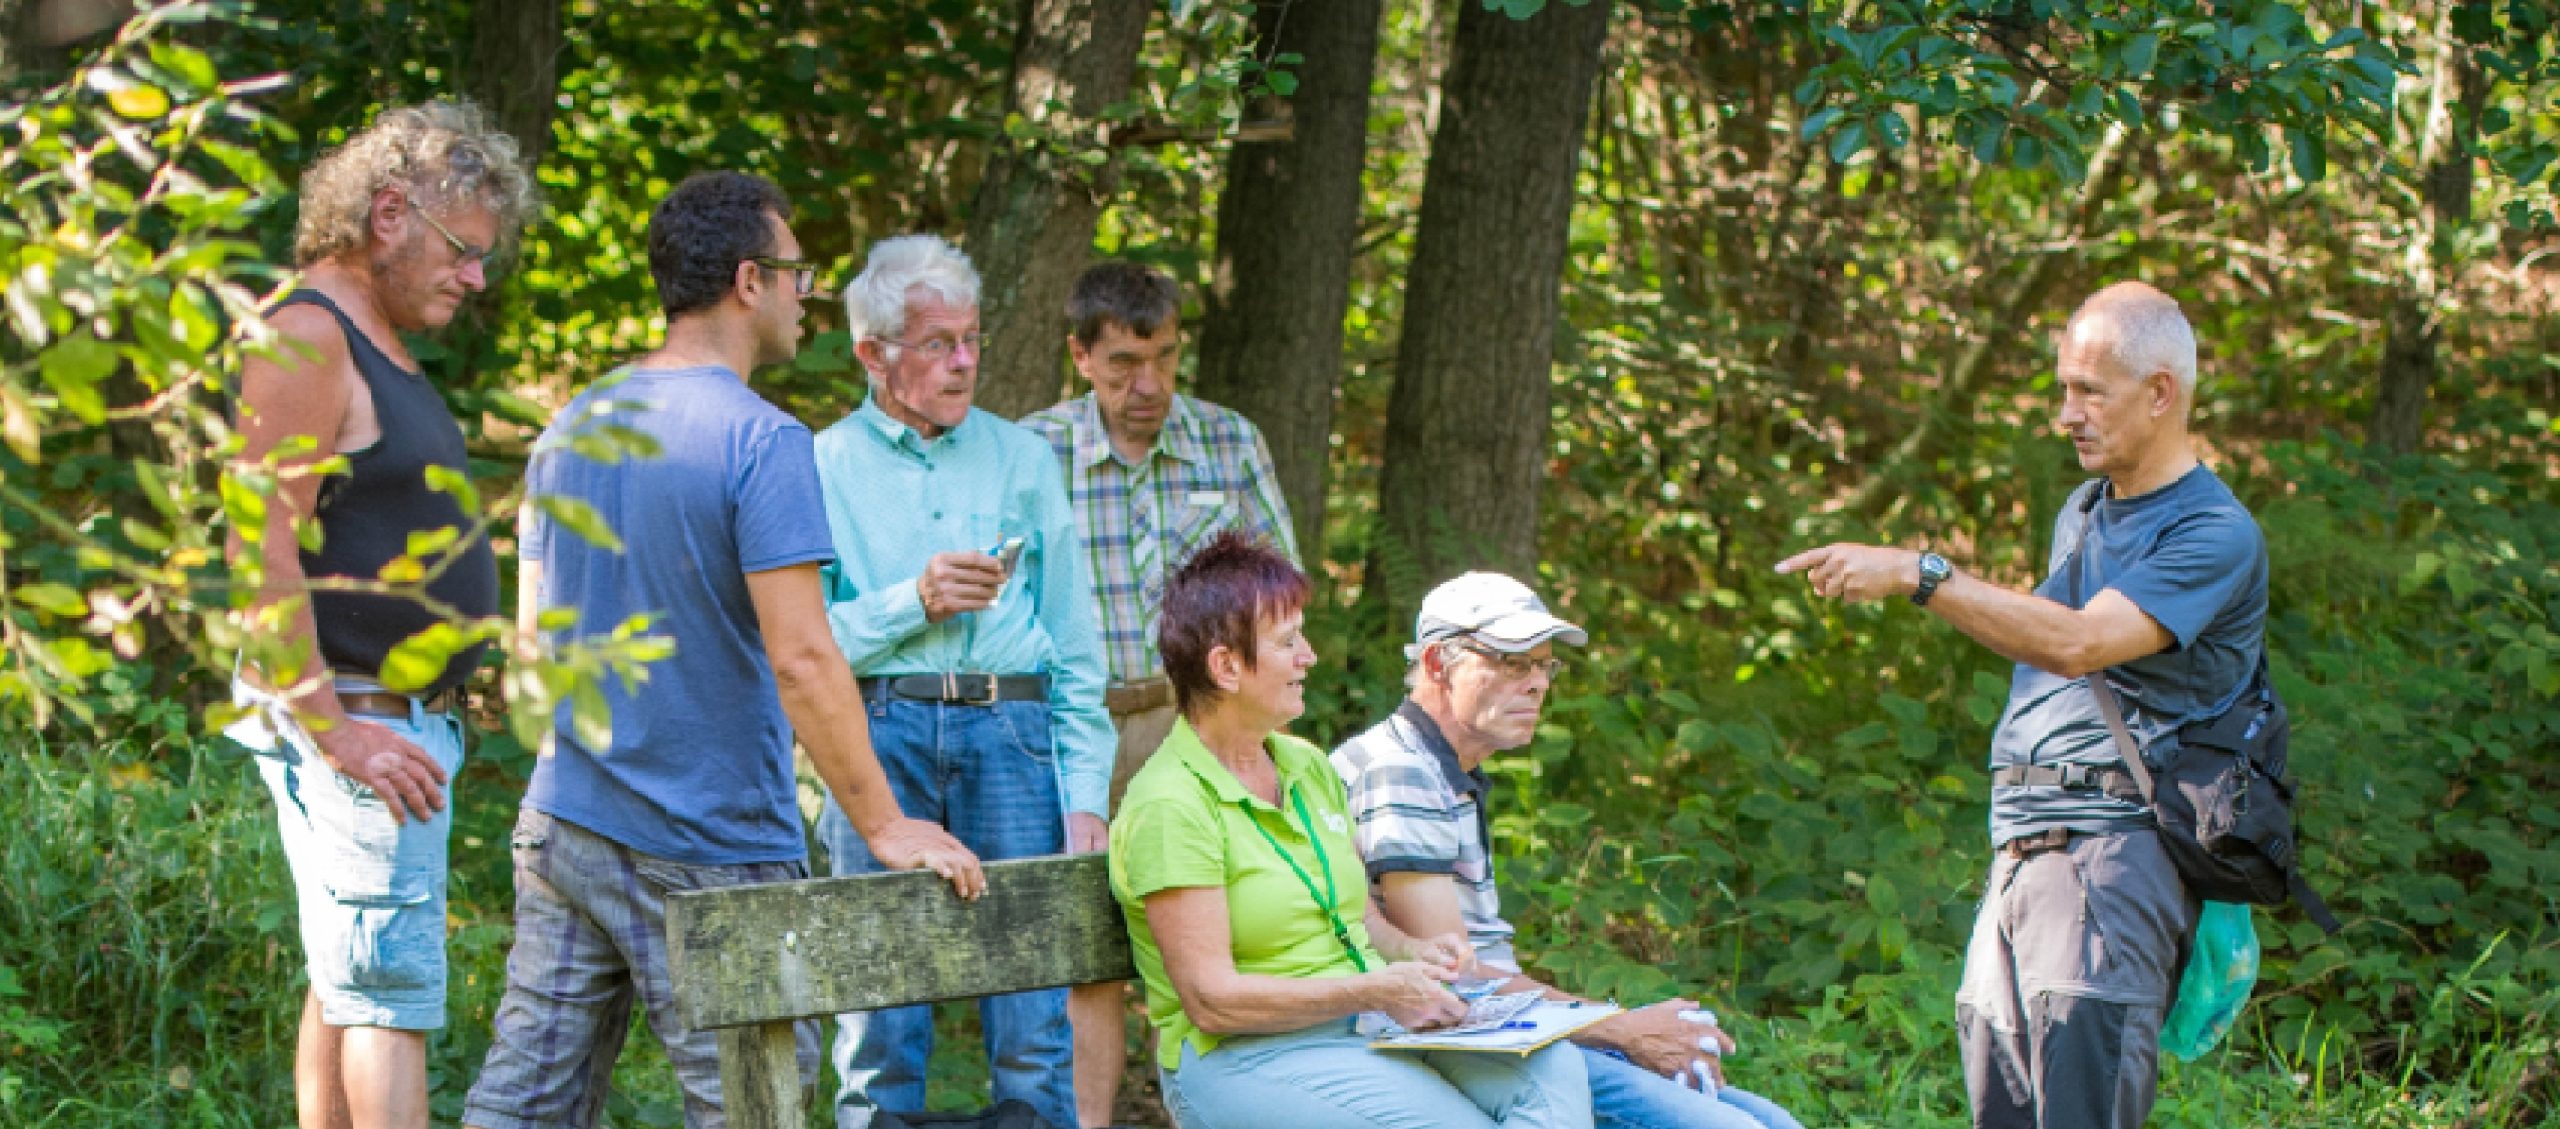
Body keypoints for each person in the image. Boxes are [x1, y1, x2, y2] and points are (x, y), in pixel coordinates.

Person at [462, 173, 984, 1129]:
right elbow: (805, 659)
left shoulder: (574, 424)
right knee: (758, 1113)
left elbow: (532, 650)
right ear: (749, 280)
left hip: (568, 822)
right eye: (794, 275)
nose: (803, 295)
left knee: (520, 1108)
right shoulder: (763, 441)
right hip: (716, 849)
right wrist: (885, 826)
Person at [1779, 282, 2258, 1129]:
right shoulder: (2084, 511)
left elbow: (2077, 641)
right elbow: (2044, 641)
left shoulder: (2212, 532)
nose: (2065, 414)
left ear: (2159, 393)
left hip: (2109, 861)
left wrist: (1919, 573)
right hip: (2024, 859)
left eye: (2089, 392)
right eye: (2062, 389)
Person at [225, 100, 532, 1129]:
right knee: (389, 1000)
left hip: (394, 716)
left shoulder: (375, 343)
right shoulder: (310, 335)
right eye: (465, 251)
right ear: (390, 212)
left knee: (346, 976)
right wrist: (338, 730)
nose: (475, 277)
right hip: (357, 713)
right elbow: (257, 549)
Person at [1110, 531, 1594, 1129]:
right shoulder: (1171, 804)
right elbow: (1212, 1002)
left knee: (1555, 1071)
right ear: (1227, 667)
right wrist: (1376, 991)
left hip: (1363, 1025)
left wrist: (1416, 953)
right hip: (1247, 1056)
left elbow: (1357, 917)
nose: (1309, 656)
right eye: (1289, 642)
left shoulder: (1303, 764)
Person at [814, 233, 1114, 1129]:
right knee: (880, 1019)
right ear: (873, 353)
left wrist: (1087, 791)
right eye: (940, 343)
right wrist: (914, 600)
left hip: (1013, 739)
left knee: (1033, 1021)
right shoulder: (822, 462)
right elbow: (799, 649)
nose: (966, 361)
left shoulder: (1021, 457)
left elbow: (1073, 641)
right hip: (877, 736)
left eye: (972, 338)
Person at [1334, 573, 1806, 1129]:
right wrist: (1622, 1028)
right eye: (1512, 664)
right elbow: (1454, 974)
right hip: (1463, 1042)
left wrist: (1617, 1026)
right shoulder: (1402, 770)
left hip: (1511, 1030)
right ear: (1438, 663)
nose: (1536, 685)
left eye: (1543, 666)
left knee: (1774, 1121)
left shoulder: (1439, 766)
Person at [1019, 261, 1299, 1128]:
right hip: (1078, 722)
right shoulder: (1036, 450)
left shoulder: (1228, 442)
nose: (1148, 387)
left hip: (1199, 720)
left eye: (1165, 359)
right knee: (1088, 949)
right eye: (1123, 365)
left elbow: (1278, 590)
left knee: (1222, 935)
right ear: (1080, 355)